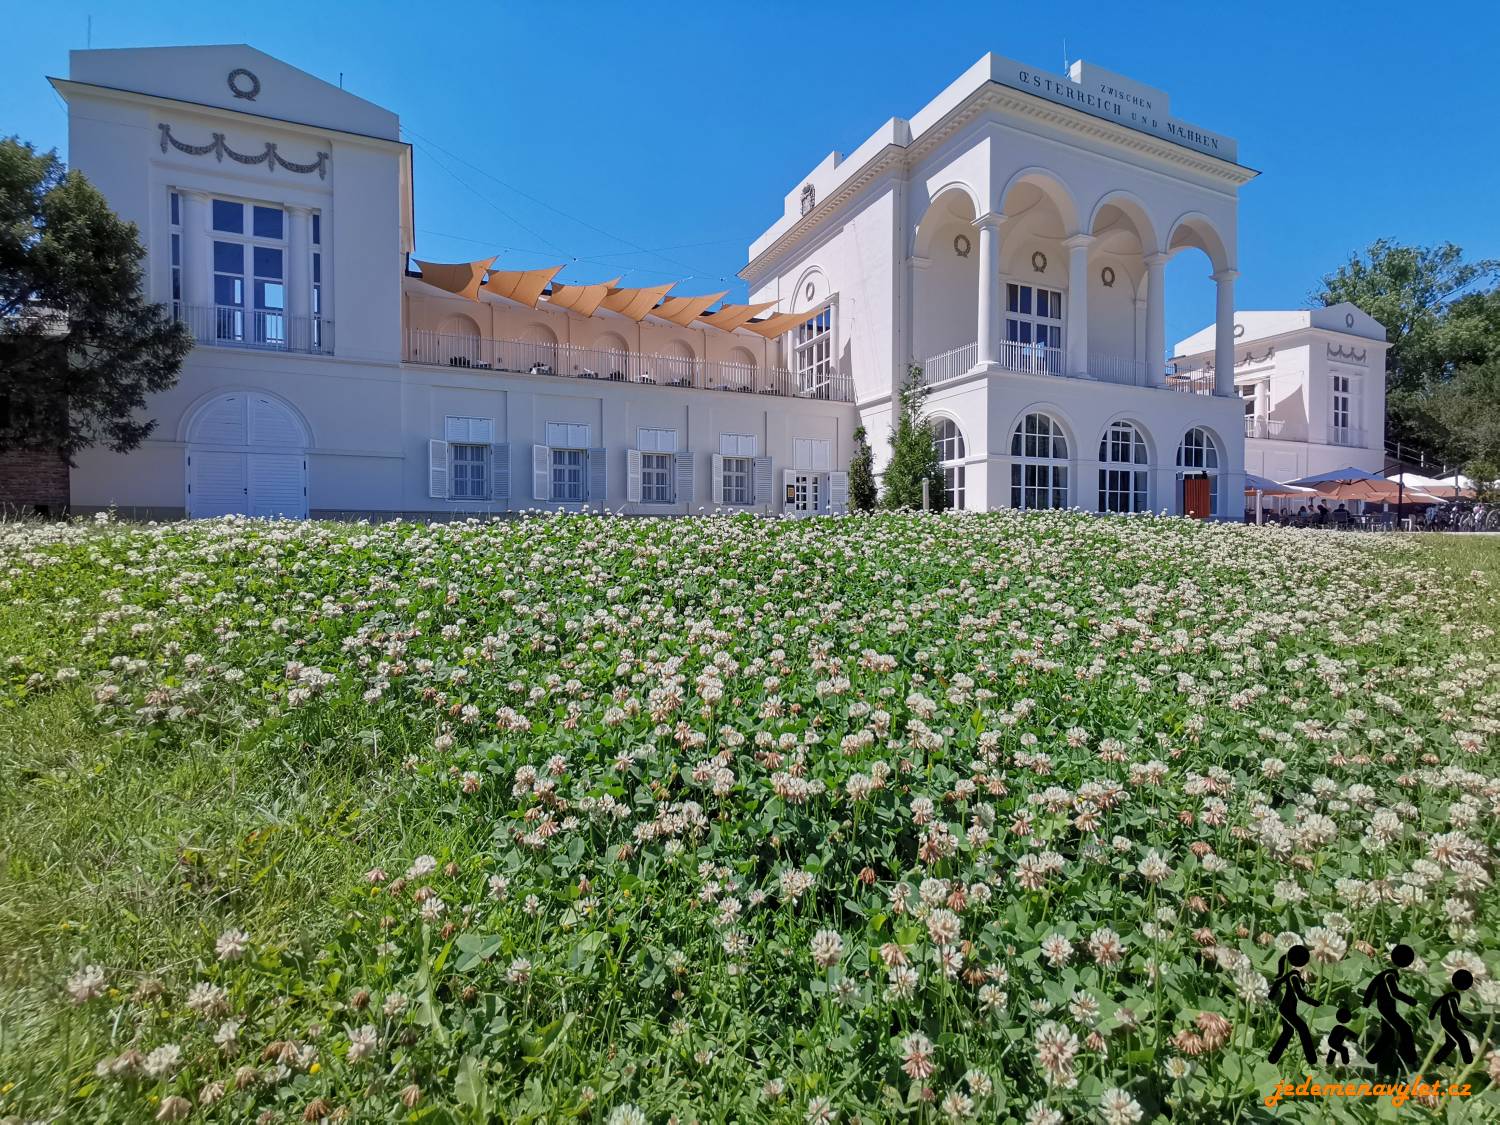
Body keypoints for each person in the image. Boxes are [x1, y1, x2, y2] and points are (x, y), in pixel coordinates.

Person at [1364, 944, 1420, 1075]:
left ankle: (1374, 1059)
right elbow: (1394, 993)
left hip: (1385, 1006)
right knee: (1404, 1029)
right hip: (1386, 1008)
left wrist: (1367, 1001)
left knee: (1388, 1033)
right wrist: (1410, 1000)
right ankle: (1411, 1060)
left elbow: (1372, 986)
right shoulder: (1390, 975)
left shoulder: (1388, 972)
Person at [1268, 945, 1318, 1066]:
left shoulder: (1290, 974)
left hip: (1286, 1007)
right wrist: (1314, 1002)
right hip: (1287, 1009)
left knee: (1288, 1032)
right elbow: (1301, 996)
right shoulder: (1294, 977)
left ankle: (1273, 1058)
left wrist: (1271, 995)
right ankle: (1311, 1059)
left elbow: (1277, 982)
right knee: (1303, 1029)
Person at [1430, 969, 1474, 1067]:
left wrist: (1432, 1014)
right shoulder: (1453, 997)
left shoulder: (1450, 995)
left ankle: (1435, 1060)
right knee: (1463, 1040)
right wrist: (1467, 1021)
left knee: (1450, 1043)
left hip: (1446, 1021)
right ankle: (1469, 1062)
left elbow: (1438, 1003)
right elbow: (1455, 1014)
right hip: (1448, 1022)